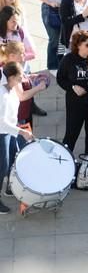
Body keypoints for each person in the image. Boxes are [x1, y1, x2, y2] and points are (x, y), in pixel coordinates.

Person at [56, 30, 88, 155]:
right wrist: (72, 87)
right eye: (87, 45)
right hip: (75, 105)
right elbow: (60, 79)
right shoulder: (68, 60)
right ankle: (64, 161)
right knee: (71, 135)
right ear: (78, 46)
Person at [0, 0, 46, 117]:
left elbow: (31, 49)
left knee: (23, 97)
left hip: (21, 69)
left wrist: (20, 57)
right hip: (5, 73)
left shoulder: (19, 29)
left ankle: (29, 109)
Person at [0, 62, 34, 214]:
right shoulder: (2, 95)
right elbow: (2, 123)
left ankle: (10, 187)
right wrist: (22, 132)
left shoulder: (10, 85)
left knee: (14, 159)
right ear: (11, 77)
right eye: (20, 78)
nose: (22, 80)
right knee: (3, 166)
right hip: (3, 132)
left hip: (10, 130)